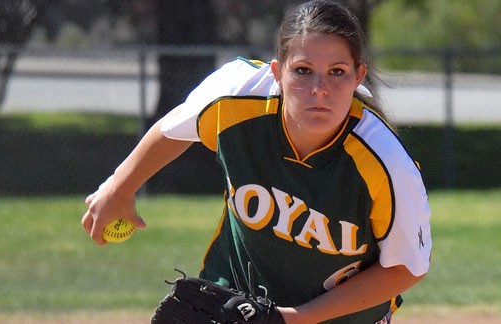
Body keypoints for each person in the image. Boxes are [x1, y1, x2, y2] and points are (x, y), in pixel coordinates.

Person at [81, 0, 432, 323]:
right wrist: (119, 187)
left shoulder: (385, 163)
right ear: (278, 72)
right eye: (303, 70)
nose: (319, 88)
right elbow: (175, 128)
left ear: (359, 76)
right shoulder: (237, 97)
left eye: (337, 72)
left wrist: (293, 318)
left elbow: (406, 268)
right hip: (236, 302)